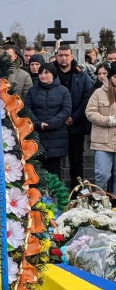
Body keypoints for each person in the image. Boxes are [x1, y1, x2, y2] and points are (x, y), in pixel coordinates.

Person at [23, 63, 72, 177]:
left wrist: (51, 124)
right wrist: (37, 123)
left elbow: (65, 111)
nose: (43, 76)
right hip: (37, 135)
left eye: (46, 73)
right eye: (41, 73)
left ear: (53, 75)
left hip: (57, 135)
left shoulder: (63, 91)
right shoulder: (33, 90)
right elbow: (28, 109)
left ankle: (55, 195)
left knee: (54, 170)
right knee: (37, 171)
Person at [54, 43, 93, 184]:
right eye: (60, 55)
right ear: (57, 57)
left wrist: (74, 117)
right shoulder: (51, 74)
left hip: (76, 125)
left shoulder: (81, 76)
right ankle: (57, 195)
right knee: (55, 163)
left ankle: (77, 193)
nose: (63, 58)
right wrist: (60, 118)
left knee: (76, 162)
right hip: (57, 126)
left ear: (72, 56)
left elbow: (87, 99)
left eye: (66, 55)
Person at [85, 63, 116, 195]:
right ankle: (100, 202)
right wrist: (108, 120)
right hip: (103, 142)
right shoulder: (98, 92)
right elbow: (90, 112)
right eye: (115, 76)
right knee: (102, 175)